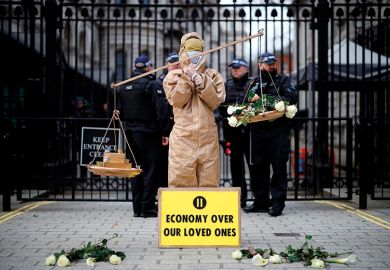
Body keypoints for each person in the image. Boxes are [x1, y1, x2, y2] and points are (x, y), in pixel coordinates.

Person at [163, 32, 226, 187]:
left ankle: (209, 211)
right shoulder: (173, 77)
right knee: (181, 180)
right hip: (183, 136)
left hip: (207, 136)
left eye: (198, 51)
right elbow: (177, 100)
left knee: (209, 181)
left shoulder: (213, 75)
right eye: (190, 52)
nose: (194, 56)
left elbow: (216, 100)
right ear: (182, 53)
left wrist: (202, 81)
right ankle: (181, 211)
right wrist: (186, 79)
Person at [243, 52, 297, 217]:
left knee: (279, 168)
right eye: (268, 63)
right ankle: (261, 202)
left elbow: (290, 98)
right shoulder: (254, 83)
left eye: (274, 63)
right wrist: (253, 99)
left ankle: (277, 204)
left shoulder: (283, 81)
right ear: (260, 65)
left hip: (278, 131)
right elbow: (244, 99)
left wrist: (263, 100)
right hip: (258, 131)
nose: (272, 66)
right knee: (258, 168)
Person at [118, 55, 170, 218]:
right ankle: (147, 208)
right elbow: (161, 111)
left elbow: (118, 110)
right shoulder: (152, 84)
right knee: (150, 170)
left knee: (135, 170)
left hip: (130, 133)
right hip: (148, 133)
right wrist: (165, 132)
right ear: (148, 67)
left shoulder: (124, 85)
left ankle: (137, 208)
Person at [220, 59, 251, 208]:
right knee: (236, 168)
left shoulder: (253, 84)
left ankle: (259, 198)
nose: (234, 70)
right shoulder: (227, 84)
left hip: (251, 133)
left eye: (237, 68)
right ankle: (240, 199)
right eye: (233, 68)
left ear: (246, 69)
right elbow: (220, 105)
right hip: (233, 133)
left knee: (255, 166)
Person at [155, 52, 180, 187]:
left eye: (177, 63)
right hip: (166, 126)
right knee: (163, 162)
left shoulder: (184, 79)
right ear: (167, 65)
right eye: (172, 63)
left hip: (181, 125)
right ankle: (163, 191)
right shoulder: (159, 82)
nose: (175, 66)